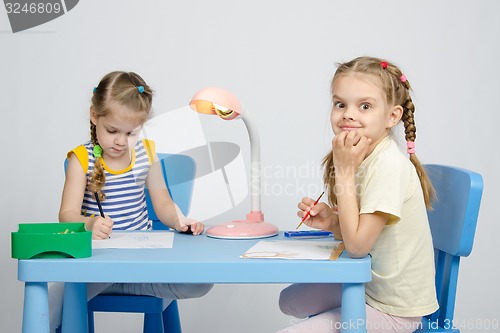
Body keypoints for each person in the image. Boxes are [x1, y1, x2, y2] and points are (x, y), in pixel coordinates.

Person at [277, 57, 438, 333]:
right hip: (366, 285)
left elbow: (358, 247)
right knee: (289, 302)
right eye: (341, 104)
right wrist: (332, 223)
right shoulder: (363, 158)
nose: (348, 114)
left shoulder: (388, 166)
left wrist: (344, 171)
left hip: (393, 308)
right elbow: (359, 234)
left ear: (392, 116)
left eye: (365, 106)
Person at [50, 71, 213, 332]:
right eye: (112, 130)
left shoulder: (146, 153)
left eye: (131, 133)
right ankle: (111, 282)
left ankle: (121, 282)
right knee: (51, 304)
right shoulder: (81, 159)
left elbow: (163, 204)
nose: (120, 142)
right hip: (96, 264)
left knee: (202, 281)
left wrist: (180, 221)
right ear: (95, 116)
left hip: (141, 261)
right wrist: (89, 224)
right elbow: (66, 214)